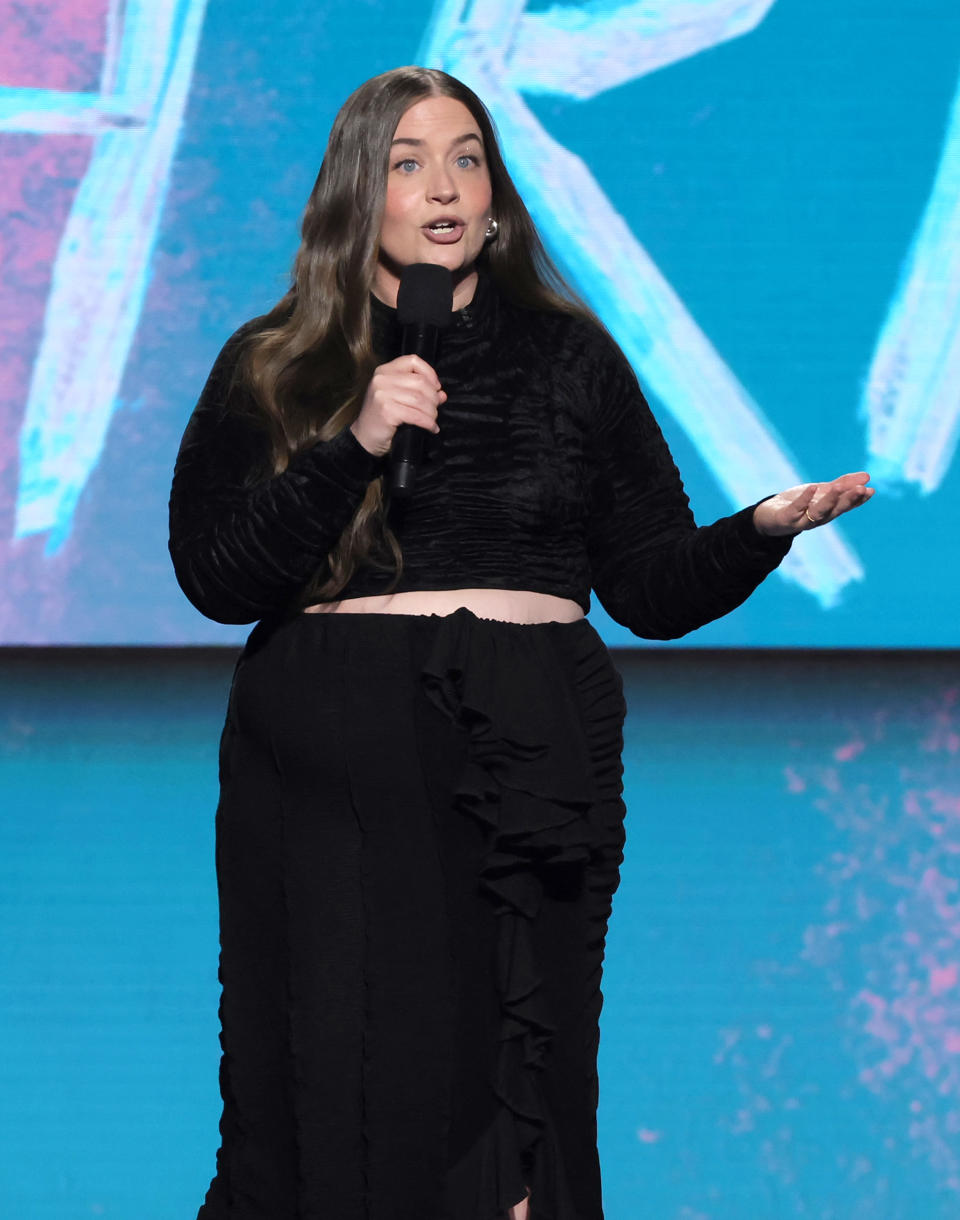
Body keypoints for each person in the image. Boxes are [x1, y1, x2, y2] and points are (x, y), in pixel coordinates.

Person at [168, 65, 873, 1220]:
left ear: (495, 201)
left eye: (466, 158)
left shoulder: (571, 359)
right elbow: (216, 577)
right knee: (349, 1083)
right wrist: (355, 440)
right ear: (358, 196)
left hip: (538, 740)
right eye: (407, 162)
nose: (442, 184)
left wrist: (758, 535)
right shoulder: (276, 360)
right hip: (344, 755)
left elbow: (646, 587)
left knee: (522, 1092)